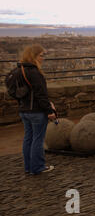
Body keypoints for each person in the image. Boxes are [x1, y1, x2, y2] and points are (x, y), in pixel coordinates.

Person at [16, 44, 56, 175]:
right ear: (34, 56)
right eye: (41, 55)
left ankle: (28, 167)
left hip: (24, 110)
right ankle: (38, 167)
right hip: (36, 111)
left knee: (28, 138)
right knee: (38, 140)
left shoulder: (18, 70)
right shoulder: (34, 72)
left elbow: (15, 91)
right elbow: (41, 95)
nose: (43, 58)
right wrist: (50, 111)